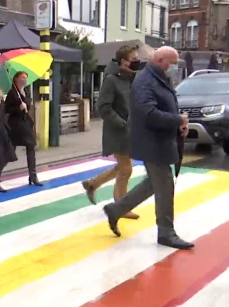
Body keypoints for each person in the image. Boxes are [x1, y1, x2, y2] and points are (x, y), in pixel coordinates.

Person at [101, 46, 194, 250]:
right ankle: (166, 233)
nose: (174, 68)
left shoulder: (159, 77)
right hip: (151, 142)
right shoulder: (145, 81)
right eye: (172, 63)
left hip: (159, 140)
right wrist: (177, 119)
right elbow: (148, 112)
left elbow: (163, 105)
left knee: (153, 184)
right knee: (165, 185)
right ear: (160, 60)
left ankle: (115, 209)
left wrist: (179, 124)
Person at [82, 45, 142, 219]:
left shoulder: (130, 78)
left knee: (123, 166)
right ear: (123, 62)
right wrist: (122, 123)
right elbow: (103, 107)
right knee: (126, 168)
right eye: (134, 59)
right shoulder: (111, 80)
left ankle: (93, 184)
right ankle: (121, 205)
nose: (137, 62)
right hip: (118, 132)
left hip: (130, 130)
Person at [5, 71, 42, 186]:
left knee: (31, 147)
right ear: (16, 79)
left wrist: (26, 105)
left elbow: (28, 104)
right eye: (22, 77)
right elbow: (7, 109)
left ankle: (33, 175)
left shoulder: (24, 91)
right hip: (16, 125)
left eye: (26, 78)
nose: (24, 80)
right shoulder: (12, 93)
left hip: (25, 123)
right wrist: (18, 107)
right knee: (10, 151)